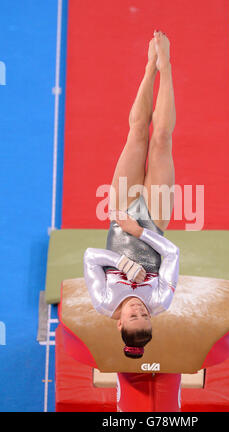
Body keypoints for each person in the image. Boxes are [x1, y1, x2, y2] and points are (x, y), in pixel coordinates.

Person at [83, 30, 179, 359]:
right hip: (150, 223)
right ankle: (166, 68)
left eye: (133, 316)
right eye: (145, 316)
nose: (140, 309)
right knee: (161, 140)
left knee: (137, 133)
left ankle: (149, 66)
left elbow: (90, 257)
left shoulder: (103, 301)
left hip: (119, 217)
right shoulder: (161, 300)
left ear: (118, 323)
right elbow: (172, 254)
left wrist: (122, 262)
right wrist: (139, 232)